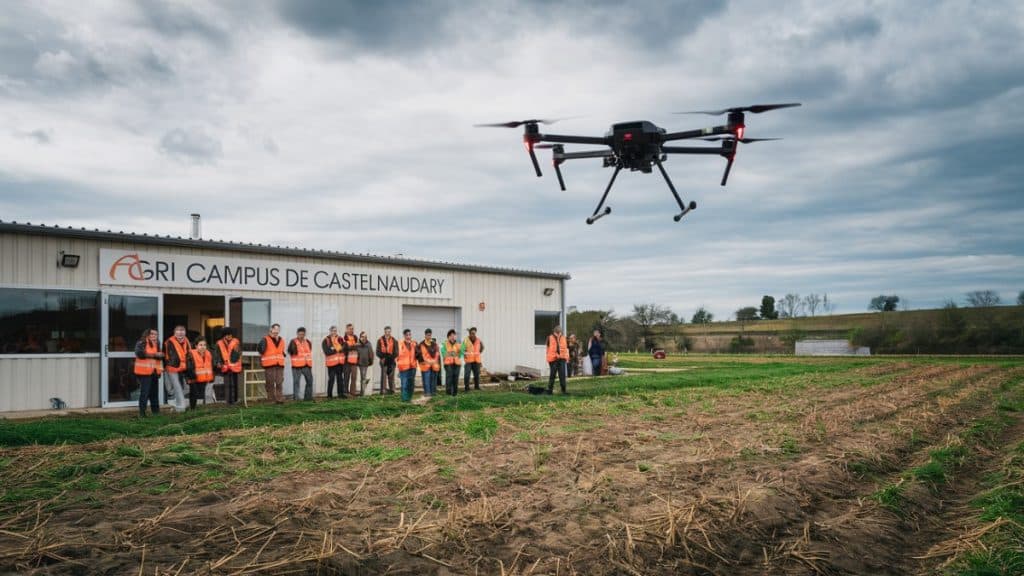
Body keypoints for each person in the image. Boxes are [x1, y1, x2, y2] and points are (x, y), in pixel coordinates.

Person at [134, 328, 164, 416]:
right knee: (145, 393)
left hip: (154, 372)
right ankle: (142, 414)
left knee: (154, 393)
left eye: (156, 334)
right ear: (147, 334)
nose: (154, 336)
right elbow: (139, 353)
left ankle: (156, 413)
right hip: (144, 372)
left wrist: (161, 355)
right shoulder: (141, 342)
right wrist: (155, 355)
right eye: (152, 334)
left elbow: (158, 357)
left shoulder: (157, 343)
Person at [163, 325, 192, 412]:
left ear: (185, 332)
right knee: (174, 387)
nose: (180, 332)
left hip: (183, 368)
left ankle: (177, 405)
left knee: (182, 387)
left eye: (182, 330)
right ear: (174, 332)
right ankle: (181, 407)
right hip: (172, 367)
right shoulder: (169, 342)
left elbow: (189, 354)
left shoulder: (187, 341)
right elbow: (165, 355)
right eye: (178, 331)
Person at [257, 323, 285, 403]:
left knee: (279, 382)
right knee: (270, 383)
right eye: (275, 329)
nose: (276, 331)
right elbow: (260, 350)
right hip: (269, 365)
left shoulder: (281, 340)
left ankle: (279, 399)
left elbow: (281, 351)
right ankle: (271, 400)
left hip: (279, 364)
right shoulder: (265, 339)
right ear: (271, 329)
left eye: (278, 330)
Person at [214, 328, 242, 405]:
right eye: (227, 334)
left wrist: (233, 362)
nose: (229, 336)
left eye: (230, 334)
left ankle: (235, 400)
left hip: (234, 367)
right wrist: (219, 362)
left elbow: (238, 354)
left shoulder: (236, 342)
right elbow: (217, 354)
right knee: (228, 385)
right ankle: (229, 402)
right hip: (225, 367)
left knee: (234, 384)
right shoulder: (219, 343)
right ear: (224, 335)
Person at [186, 339, 214, 411]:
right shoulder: (191, 353)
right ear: (196, 346)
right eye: (200, 345)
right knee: (194, 394)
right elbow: (189, 367)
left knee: (201, 394)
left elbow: (211, 365)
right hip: (193, 378)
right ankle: (192, 409)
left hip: (204, 377)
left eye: (204, 345)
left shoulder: (208, 354)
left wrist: (211, 376)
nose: (203, 347)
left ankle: (199, 409)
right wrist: (192, 376)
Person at [288, 327, 314, 401]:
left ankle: (308, 398)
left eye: (302, 334)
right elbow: (290, 351)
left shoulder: (308, 342)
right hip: (296, 366)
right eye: (300, 334)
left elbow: (309, 351)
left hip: (306, 365)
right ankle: (296, 398)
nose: (301, 336)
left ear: (305, 334)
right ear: (297, 334)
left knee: (310, 381)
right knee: (296, 382)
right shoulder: (293, 342)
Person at [322, 326, 345, 398]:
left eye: (335, 331)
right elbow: (327, 351)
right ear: (330, 331)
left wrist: (334, 349)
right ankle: (329, 395)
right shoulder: (326, 340)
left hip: (339, 363)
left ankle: (340, 394)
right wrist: (337, 349)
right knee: (331, 379)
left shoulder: (340, 339)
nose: (334, 332)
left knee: (340, 379)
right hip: (331, 364)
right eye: (332, 331)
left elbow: (344, 347)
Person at [416, 328, 440, 398]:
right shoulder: (421, 344)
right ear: (425, 335)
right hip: (425, 366)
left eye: (430, 335)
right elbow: (420, 355)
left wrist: (434, 361)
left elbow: (437, 353)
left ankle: (433, 393)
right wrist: (428, 361)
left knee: (433, 380)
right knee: (426, 380)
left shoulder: (434, 344)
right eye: (427, 335)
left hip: (433, 365)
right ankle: (427, 393)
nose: (429, 336)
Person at [546, 325, 569, 395]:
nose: (559, 333)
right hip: (553, 359)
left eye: (560, 331)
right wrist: (556, 356)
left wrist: (566, 358)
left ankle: (563, 390)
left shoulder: (564, 338)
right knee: (552, 375)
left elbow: (565, 349)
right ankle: (549, 390)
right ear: (554, 331)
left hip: (562, 359)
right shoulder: (549, 338)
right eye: (557, 331)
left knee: (562, 375)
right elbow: (550, 349)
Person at [397, 329, 418, 402]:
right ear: (404, 336)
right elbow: (396, 355)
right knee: (404, 384)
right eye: (407, 335)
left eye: (410, 334)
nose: (409, 336)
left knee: (411, 384)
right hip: (403, 367)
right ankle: (404, 400)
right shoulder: (400, 344)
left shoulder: (414, 343)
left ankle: (409, 398)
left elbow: (418, 354)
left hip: (413, 367)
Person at [376, 326, 397, 395]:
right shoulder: (380, 340)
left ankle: (392, 390)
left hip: (391, 361)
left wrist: (390, 357)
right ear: (384, 331)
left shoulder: (394, 340)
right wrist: (384, 357)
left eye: (389, 331)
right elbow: (377, 352)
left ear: (390, 332)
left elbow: (396, 352)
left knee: (391, 376)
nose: (388, 333)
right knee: (383, 376)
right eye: (386, 331)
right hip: (383, 360)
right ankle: (383, 391)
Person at [462, 327, 484, 392]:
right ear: (469, 333)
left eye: (474, 333)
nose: (473, 334)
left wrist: (478, 353)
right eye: (472, 333)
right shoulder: (465, 340)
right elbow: (462, 349)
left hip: (476, 361)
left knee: (476, 375)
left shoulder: (478, 340)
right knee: (467, 375)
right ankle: (467, 388)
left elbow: (482, 348)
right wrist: (465, 354)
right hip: (468, 361)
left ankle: (476, 387)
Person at [443, 329, 462, 396]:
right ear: (448, 337)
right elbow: (443, 353)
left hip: (457, 364)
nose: (452, 337)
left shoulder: (458, 344)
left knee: (456, 378)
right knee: (449, 377)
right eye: (451, 335)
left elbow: (461, 354)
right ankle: (448, 394)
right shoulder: (444, 344)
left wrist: (456, 354)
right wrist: (452, 353)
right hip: (448, 364)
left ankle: (455, 394)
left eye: (454, 335)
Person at [343, 323, 359, 398]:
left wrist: (352, 347)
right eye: (349, 329)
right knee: (346, 377)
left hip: (354, 360)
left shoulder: (355, 337)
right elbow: (345, 348)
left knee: (354, 377)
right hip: (346, 361)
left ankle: (353, 392)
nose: (351, 330)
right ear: (346, 329)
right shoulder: (343, 338)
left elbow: (357, 347)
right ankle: (345, 392)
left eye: (352, 329)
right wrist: (353, 346)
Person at [356, 331, 374, 395]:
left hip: (367, 363)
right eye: (362, 336)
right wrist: (356, 361)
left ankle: (363, 392)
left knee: (364, 377)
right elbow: (356, 353)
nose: (364, 338)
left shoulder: (368, 344)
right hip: (360, 363)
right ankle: (362, 392)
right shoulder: (357, 344)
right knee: (362, 377)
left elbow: (371, 353)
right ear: (360, 337)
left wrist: (371, 361)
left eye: (365, 337)